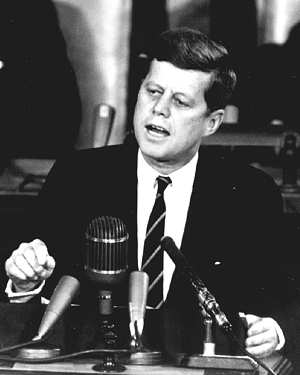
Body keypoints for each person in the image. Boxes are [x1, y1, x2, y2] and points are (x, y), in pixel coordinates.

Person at [4, 27, 300, 368]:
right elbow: (26, 297)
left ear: (212, 122)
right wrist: (23, 281)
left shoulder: (250, 193)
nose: (158, 109)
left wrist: (275, 329)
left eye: (180, 101)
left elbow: (288, 297)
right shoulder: (77, 176)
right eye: (153, 91)